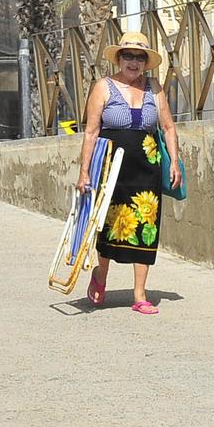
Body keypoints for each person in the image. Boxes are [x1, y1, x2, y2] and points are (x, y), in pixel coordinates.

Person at [75, 31, 182, 314]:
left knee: (146, 227)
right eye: (128, 56)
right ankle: (101, 274)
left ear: (146, 63)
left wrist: (173, 161)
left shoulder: (154, 89)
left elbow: (169, 128)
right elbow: (91, 131)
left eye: (139, 57)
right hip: (111, 169)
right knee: (109, 223)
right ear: (119, 59)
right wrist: (84, 172)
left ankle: (139, 294)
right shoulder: (104, 87)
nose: (133, 62)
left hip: (146, 168)